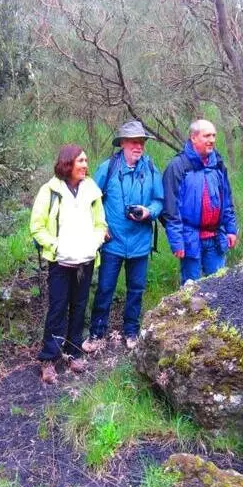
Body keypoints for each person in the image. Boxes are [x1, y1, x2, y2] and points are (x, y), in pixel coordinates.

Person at [82, 121, 164, 352]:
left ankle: (131, 332)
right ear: (124, 144)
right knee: (105, 288)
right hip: (112, 241)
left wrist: (149, 212)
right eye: (134, 142)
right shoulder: (107, 169)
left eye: (142, 142)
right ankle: (97, 333)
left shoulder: (150, 170)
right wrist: (100, 228)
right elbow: (90, 200)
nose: (139, 146)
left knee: (136, 290)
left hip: (140, 242)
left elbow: (159, 201)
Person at [30, 144, 107, 384]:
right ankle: (49, 360)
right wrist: (56, 247)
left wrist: (93, 245)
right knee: (57, 309)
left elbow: (100, 225)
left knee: (79, 307)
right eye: (80, 161)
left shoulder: (91, 190)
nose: (85, 165)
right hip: (60, 263)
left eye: (86, 161)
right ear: (68, 163)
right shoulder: (49, 191)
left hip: (85, 261)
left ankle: (73, 354)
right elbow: (37, 226)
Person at [162, 119, 238, 285]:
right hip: (190, 239)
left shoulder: (217, 163)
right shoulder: (178, 166)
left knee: (220, 287)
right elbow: (170, 209)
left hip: (216, 238)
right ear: (193, 138)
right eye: (207, 136)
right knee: (191, 292)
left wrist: (231, 229)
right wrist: (177, 242)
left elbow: (227, 200)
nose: (212, 140)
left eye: (214, 135)